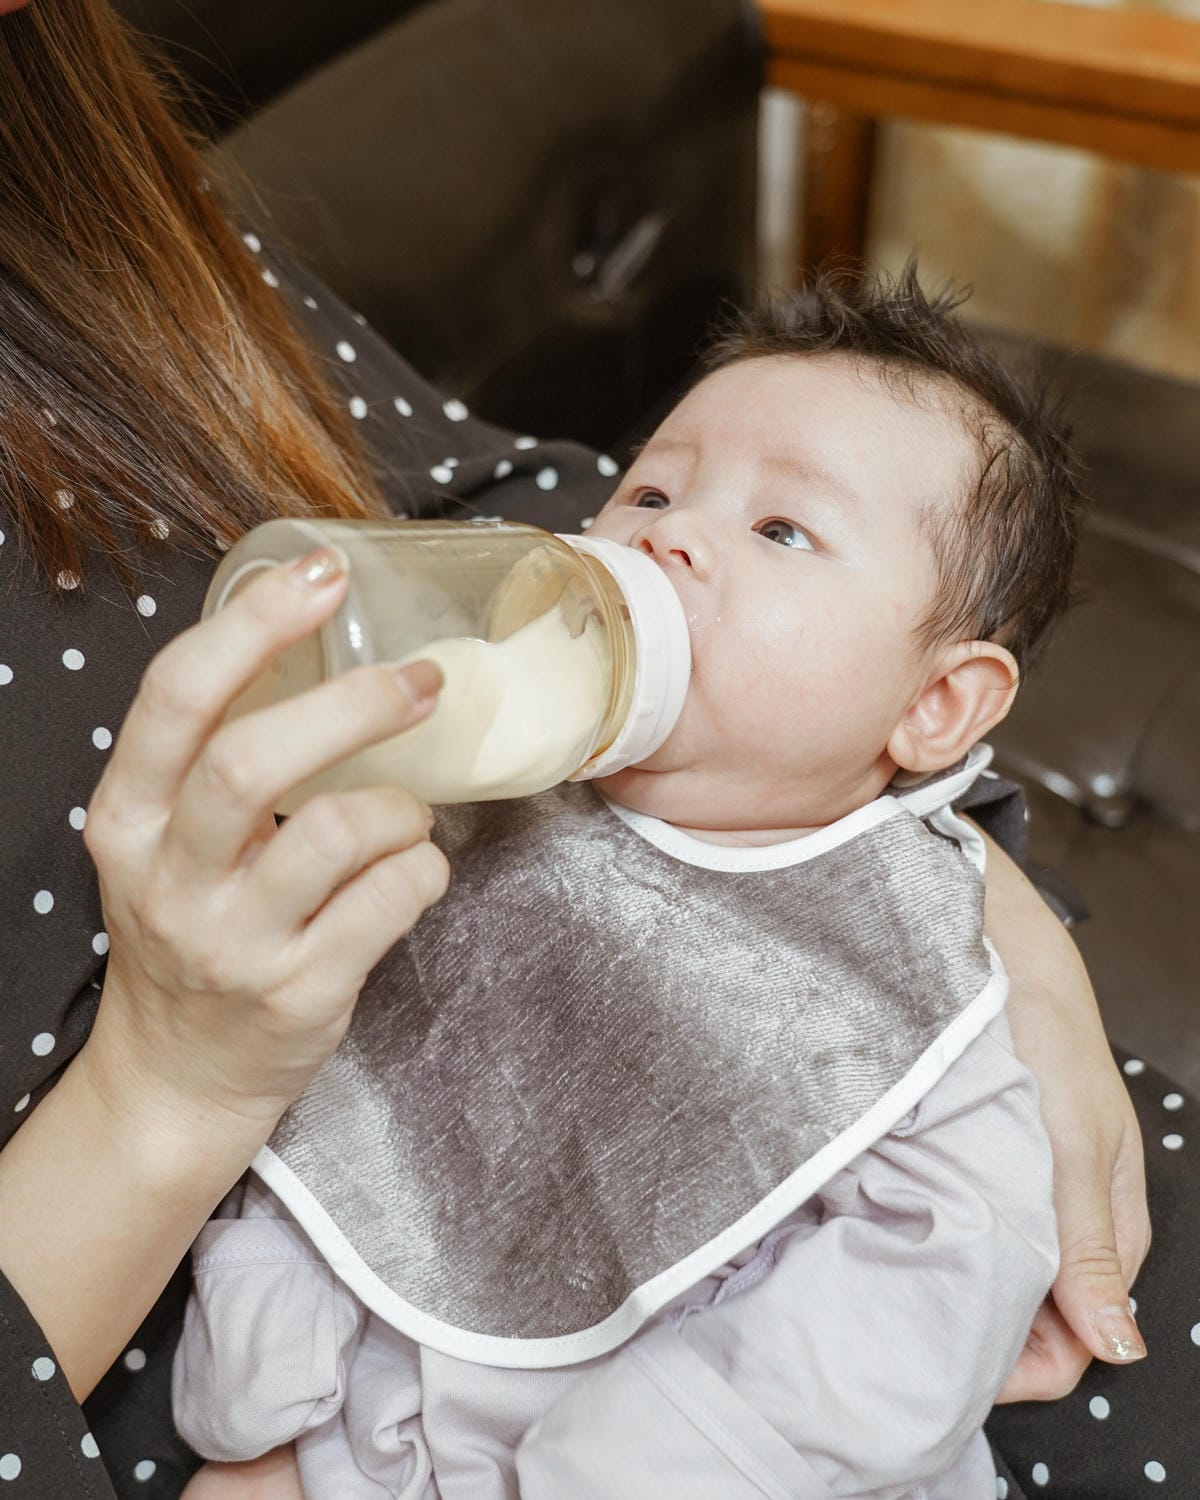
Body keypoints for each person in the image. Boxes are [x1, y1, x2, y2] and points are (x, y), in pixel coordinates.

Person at [0, 2, 1177, 1498]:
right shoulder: (489, 835)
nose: (664, 541)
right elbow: (350, 1112)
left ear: (939, 710)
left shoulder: (906, 1008)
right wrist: (271, 1416)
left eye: (781, 529)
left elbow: (894, 1331)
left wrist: (987, 899)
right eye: (654, 494)